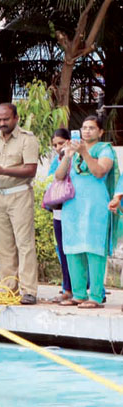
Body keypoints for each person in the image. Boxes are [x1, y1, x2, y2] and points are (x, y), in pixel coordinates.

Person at [57, 115, 122, 309]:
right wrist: (67, 155)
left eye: (92, 128)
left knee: (94, 249)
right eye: (84, 128)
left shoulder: (105, 150)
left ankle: (95, 295)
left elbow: (99, 171)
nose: (86, 131)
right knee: (73, 249)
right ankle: (78, 294)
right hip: (73, 206)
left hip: (96, 206)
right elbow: (59, 176)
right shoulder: (74, 150)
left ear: (100, 132)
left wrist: (84, 152)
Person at [0, 103, 39, 304]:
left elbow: (31, 169)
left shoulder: (27, 139)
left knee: (24, 243)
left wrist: (3, 170)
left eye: (6, 119)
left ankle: (28, 290)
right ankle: (9, 287)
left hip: (19, 194)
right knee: (4, 245)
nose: (2, 123)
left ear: (16, 118)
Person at [46, 128, 73, 303]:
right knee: (62, 251)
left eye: (61, 143)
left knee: (75, 251)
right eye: (55, 144)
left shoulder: (74, 158)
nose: (57, 147)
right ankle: (67, 288)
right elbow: (52, 179)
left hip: (72, 209)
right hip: (58, 211)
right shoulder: (57, 160)